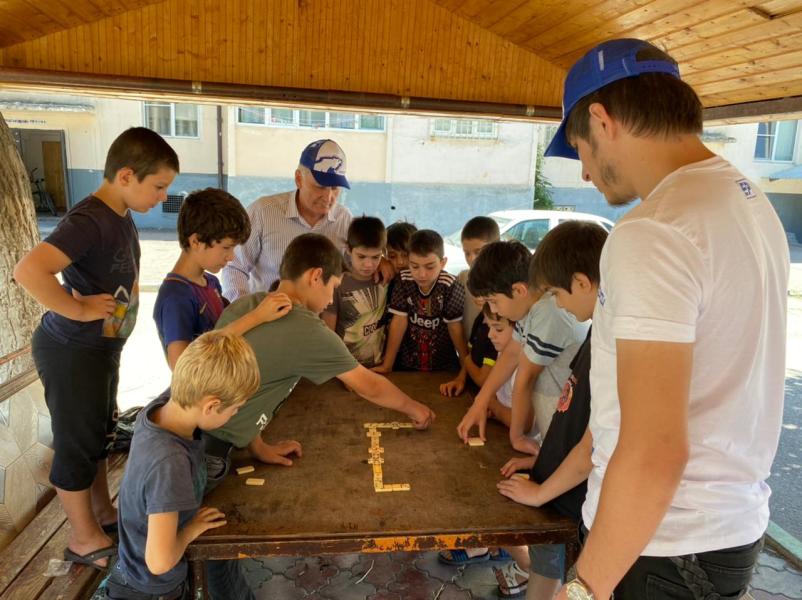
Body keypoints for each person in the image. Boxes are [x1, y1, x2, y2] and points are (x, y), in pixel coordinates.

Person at [544, 39, 790, 600]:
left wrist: (583, 589)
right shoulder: (747, 200)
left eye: (579, 150)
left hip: (661, 544)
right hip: (721, 533)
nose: (586, 174)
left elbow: (653, 450)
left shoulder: (654, 230)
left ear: (602, 121)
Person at [14, 127, 179, 569]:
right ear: (126, 175)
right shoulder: (89, 219)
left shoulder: (119, 213)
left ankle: (103, 512)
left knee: (99, 434)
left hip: (100, 350)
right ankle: (83, 538)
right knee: (77, 442)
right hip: (73, 351)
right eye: (159, 186)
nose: (163, 196)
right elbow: (29, 270)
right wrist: (78, 308)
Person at [203, 233, 435, 490]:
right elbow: (368, 385)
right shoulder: (306, 330)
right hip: (205, 458)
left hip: (191, 429)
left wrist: (258, 447)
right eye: (333, 287)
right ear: (315, 277)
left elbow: (255, 386)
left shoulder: (246, 305)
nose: (330, 300)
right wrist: (415, 409)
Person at [494, 220, 608, 600]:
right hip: (561, 478)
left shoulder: (611, 343)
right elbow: (574, 416)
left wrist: (542, 491)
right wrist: (545, 461)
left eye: (557, 293)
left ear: (582, 283)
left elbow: (594, 444)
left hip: (574, 497)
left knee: (557, 574)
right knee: (547, 568)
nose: (557, 303)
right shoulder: (599, 332)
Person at [107, 331, 260, 600]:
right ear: (211, 406)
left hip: (137, 563)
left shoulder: (166, 404)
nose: (235, 414)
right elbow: (159, 562)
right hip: (152, 587)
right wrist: (190, 529)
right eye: (235, 409)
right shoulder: (170, 464)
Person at [456, 241, 588, 456]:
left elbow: (525, 377)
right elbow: (511, 354)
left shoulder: (549, 311)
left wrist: (516, 437)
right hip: (553, 432)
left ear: (519, 290)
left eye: (493, 301)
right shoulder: (531, 308)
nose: (493, 309)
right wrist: (480, 402)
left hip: (569, 435)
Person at [153, 188, 292, 369]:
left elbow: (228, 328)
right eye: (226, 248)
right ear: (196, 241)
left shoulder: (211, 283)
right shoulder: (176, 296)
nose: (231, 257)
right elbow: (181, 365)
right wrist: (256, 317)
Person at [373, 229, 468, 373]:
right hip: (407, 365)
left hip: (444, 366)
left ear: (443, 263)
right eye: (414, 266)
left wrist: (464, 371)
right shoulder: (404, 279)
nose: (422, 274)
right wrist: (387, 365)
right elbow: (399, 322)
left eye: (430, 267)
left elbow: (455, 328)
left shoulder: (450, 286)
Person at [440, 216, 501, 396]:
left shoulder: (506, 284)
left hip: (497, 369)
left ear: (496, 247)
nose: (472, 259)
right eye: (467, 253)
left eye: (478, 252)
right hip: (472, 362)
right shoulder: (463, 278)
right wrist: (462, 375)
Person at [323, 216, 388, 367]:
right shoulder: (337, 284)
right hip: (346, 368)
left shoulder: (386, 278)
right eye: (361, 256)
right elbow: (328, 333)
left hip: (379, 366)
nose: (368, 264)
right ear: (348, 249)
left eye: (375, 257)